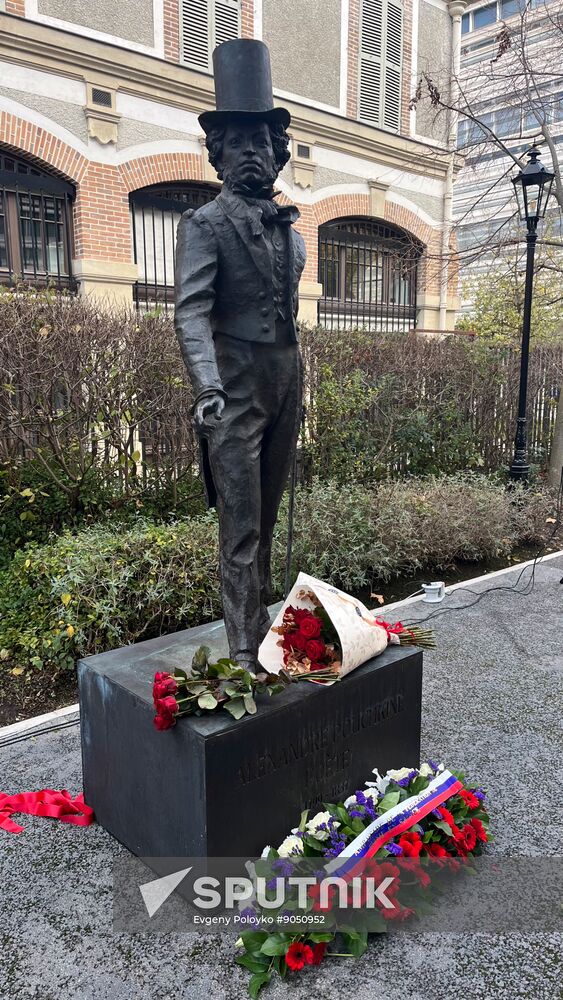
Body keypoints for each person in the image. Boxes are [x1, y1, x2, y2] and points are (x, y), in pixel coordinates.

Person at [174, 39, 306, 670]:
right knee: (242, 522)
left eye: (262, 143)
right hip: (235, 386)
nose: (252, 154)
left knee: (269, 513)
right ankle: (240, 648)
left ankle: (261, 624)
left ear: (277, 154)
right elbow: (191, 309)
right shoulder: (204, 225)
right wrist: (206, 387)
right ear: (220, 156)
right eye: (239, 145)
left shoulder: (293, 230)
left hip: (286, 380)